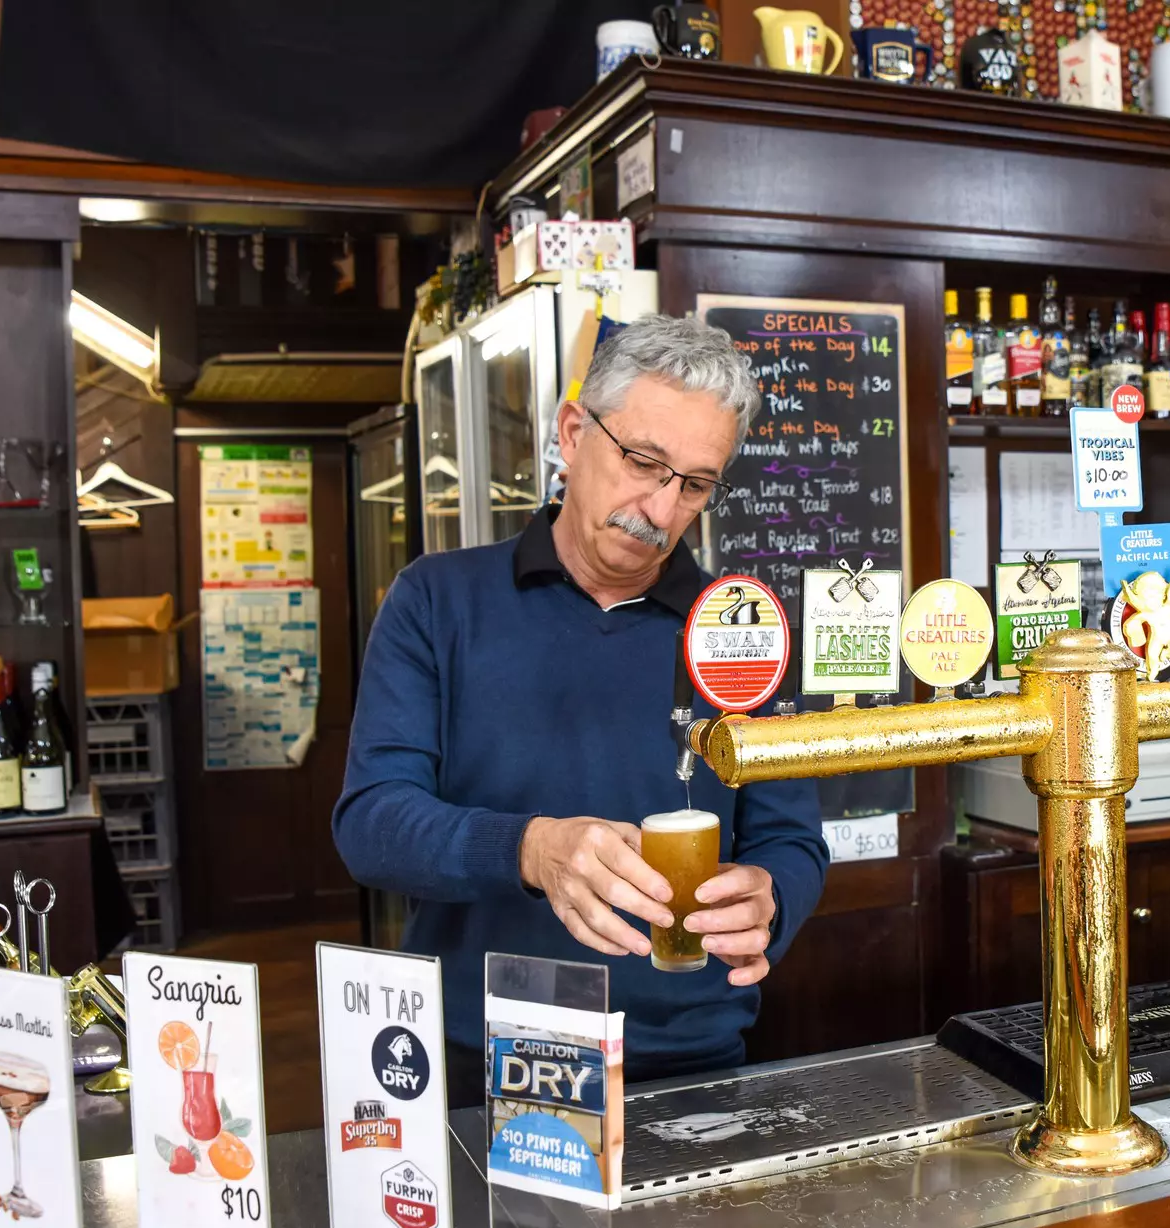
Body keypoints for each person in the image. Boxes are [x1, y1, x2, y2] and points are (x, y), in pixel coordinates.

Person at [333, 314, 828, 1102]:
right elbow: (371, 827)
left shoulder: (740, 631)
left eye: (695, 485)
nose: (660, 510)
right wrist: (530, 849)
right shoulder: (437, 599)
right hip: (480, 1050)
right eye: (642, 462)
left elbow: (792, 839)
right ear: (572, 432)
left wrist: (772, 897)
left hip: (684, 1059)